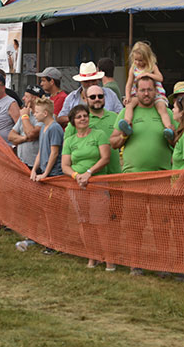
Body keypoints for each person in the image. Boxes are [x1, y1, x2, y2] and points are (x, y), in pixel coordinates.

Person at [61, 103, 112, 268]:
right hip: (78, 186)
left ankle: (109, 260)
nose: (83, 119)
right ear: (73, 122)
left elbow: (105, 158)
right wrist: (76, 176)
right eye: (79, 117)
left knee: (101, 223)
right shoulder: (70, 141)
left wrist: (89, 172)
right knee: (84, 222)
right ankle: (92, 256)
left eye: (85, 116)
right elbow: (65, 165)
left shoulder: (99, 135)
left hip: (98, 184)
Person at [110, 76, 173, 174]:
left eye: (149, 90)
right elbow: (113, 143)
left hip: (162, 175)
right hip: (132, 175)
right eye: (142, 90)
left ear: (156, 91)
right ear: (136, 91)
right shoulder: (126, 112)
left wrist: (171, 137)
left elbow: (179, 143)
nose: (146, 93)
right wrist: (123, 136)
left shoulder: (167, 113)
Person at [122, 41, 174, 139]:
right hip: (138, 94)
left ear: (147, 58)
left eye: (141, 60)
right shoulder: (133, 68)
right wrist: (128, 96)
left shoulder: (152, 66)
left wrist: (147, 74)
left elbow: (160, 78)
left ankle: (168, 128)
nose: (138, 62)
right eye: (136, 60)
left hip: (156, 93)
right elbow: (129, 84)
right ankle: (127, 123)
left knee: (162, 108)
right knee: (129, 105)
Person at [30, 97, 65, 181]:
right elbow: (40, 151)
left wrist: (45, 174)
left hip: (55, 173)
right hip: (45, 171)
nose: (34, 114)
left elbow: (54, 153)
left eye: (37, 112)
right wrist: (34, 170)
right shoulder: (43, 127)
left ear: (45, 113)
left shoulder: (54, 128)